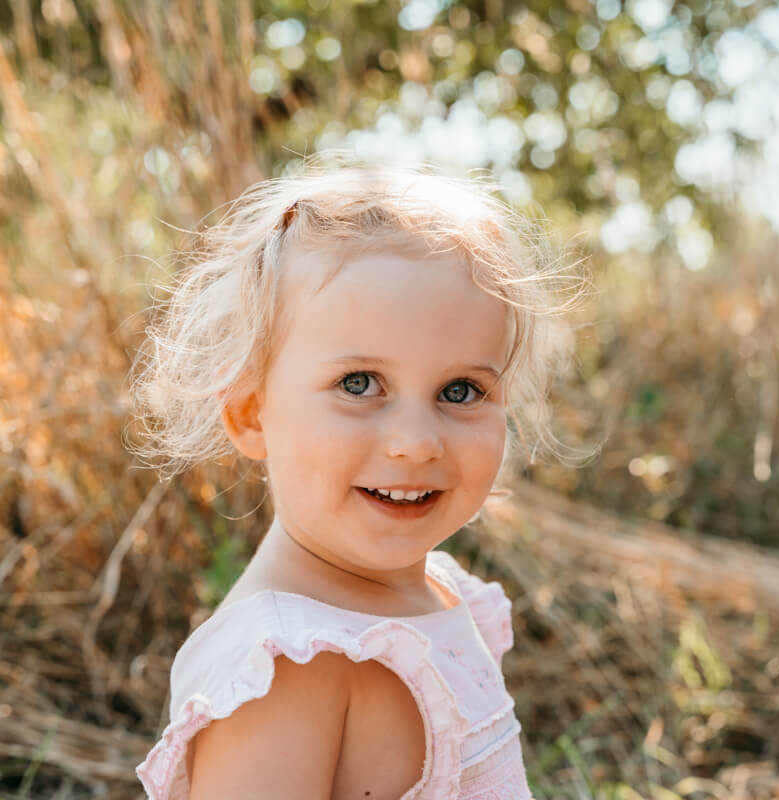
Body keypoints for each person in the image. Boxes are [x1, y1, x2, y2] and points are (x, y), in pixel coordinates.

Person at [129, 152, 591, 800]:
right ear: (251, 412)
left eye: (460, 390)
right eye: (359, 383)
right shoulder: (289, 672)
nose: (416, 442)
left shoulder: (437, 595)